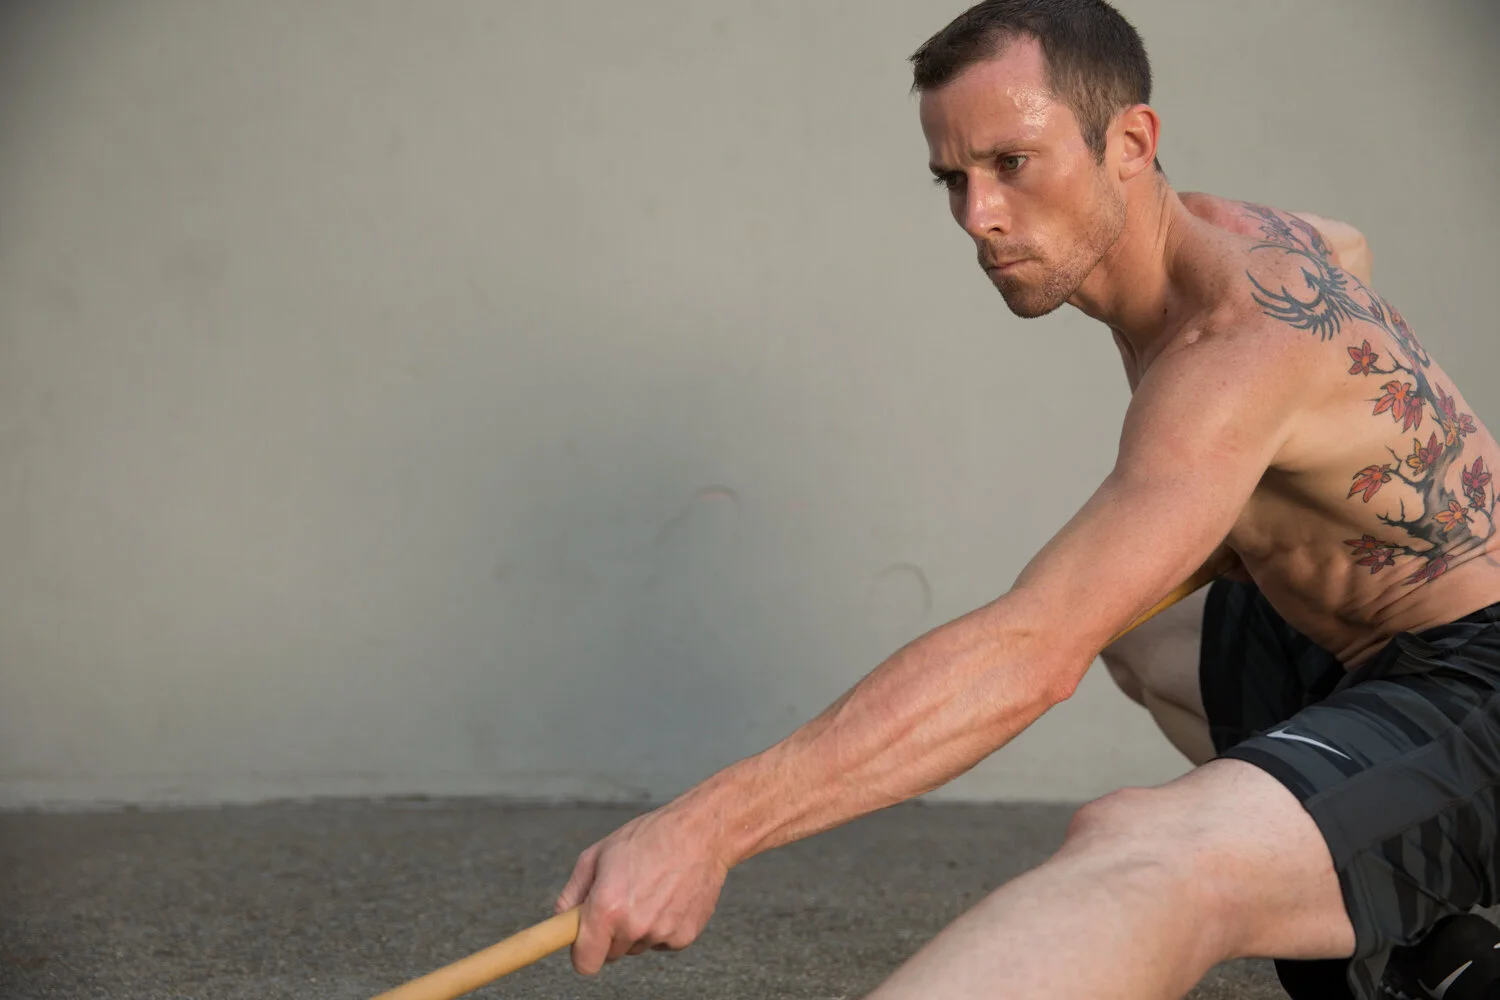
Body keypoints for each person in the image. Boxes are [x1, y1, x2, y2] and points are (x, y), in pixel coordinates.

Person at [551, 2, 1500, 998]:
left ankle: (1355, 871)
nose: (980, 216)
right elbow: (1347, 248)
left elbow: (1027, 657)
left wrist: (704, 828)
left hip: (1476, 684)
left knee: (1142, 853)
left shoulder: (1231, 351)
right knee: (1144, 626)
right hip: (1371, 646)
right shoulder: (1236, 236)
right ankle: (1425, 951)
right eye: (953, 178)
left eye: (1013, 163)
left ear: (1130, 142)